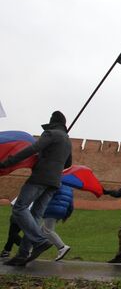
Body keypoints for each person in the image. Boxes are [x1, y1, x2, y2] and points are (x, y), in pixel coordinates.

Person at [0, 111, 72, 266]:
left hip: (40, 177)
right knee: (35, 215)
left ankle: (39, 241)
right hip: (54, 182)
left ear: (52, 121)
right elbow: (67, 164)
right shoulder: (67, 140)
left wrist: (8, 162)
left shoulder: (50, 133)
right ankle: (23, 254)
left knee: (19, 208)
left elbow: (32, 149)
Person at [42, 183, 73, 261]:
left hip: (52, 209)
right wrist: (66, 215)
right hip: (62, 210)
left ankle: (62, 247)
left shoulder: (55, 182)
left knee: (47, 230)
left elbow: (46, 195)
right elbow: (71, 204)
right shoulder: (69, 188)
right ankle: (34, 247)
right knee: (42, 230)